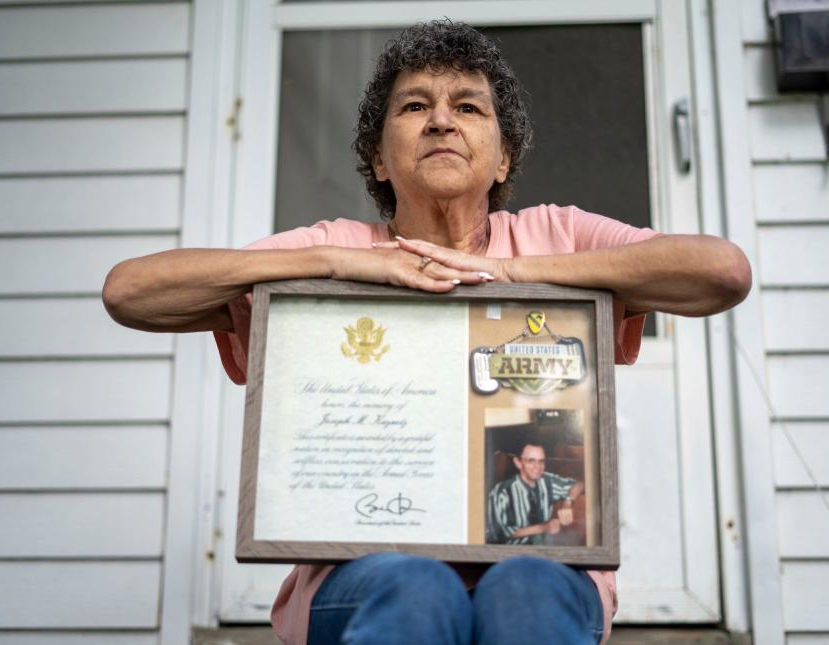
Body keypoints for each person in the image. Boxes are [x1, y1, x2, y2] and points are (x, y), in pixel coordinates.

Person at [103, 20, 750, 645]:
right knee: (416, 586)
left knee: (523, 586)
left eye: (468, 107)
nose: (441, 119)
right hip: (367, 571)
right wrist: (334, 264)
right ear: (378, 160)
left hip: (545, 569)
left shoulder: (557, 236)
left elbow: (722, 271)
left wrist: (505, 270)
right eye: (415, 105)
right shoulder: (335, 247)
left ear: (503, 159)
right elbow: (131, 291)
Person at [486, 442, 583, 545]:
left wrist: (567, 502)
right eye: (531, 461)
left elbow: (579, 484)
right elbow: (497, 533)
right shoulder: (501, 492)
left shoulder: (547, 481)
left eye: (541, 461)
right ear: (518, 463)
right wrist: (542, 528)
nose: (538, 467)